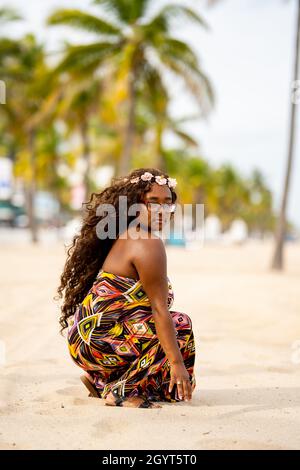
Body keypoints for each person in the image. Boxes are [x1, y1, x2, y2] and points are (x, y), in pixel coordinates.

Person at [57, 168, 196, 409]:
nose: (161, 210)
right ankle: (122, 391)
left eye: (167, 203)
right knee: (180, 325)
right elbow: (159, 310)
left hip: (84, 341)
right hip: (99, 343)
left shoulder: (127, 235)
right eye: (152, 202)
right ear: (134, 205)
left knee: (162, 332)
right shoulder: (148, 243)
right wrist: (177, 364)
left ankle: (102, 380)